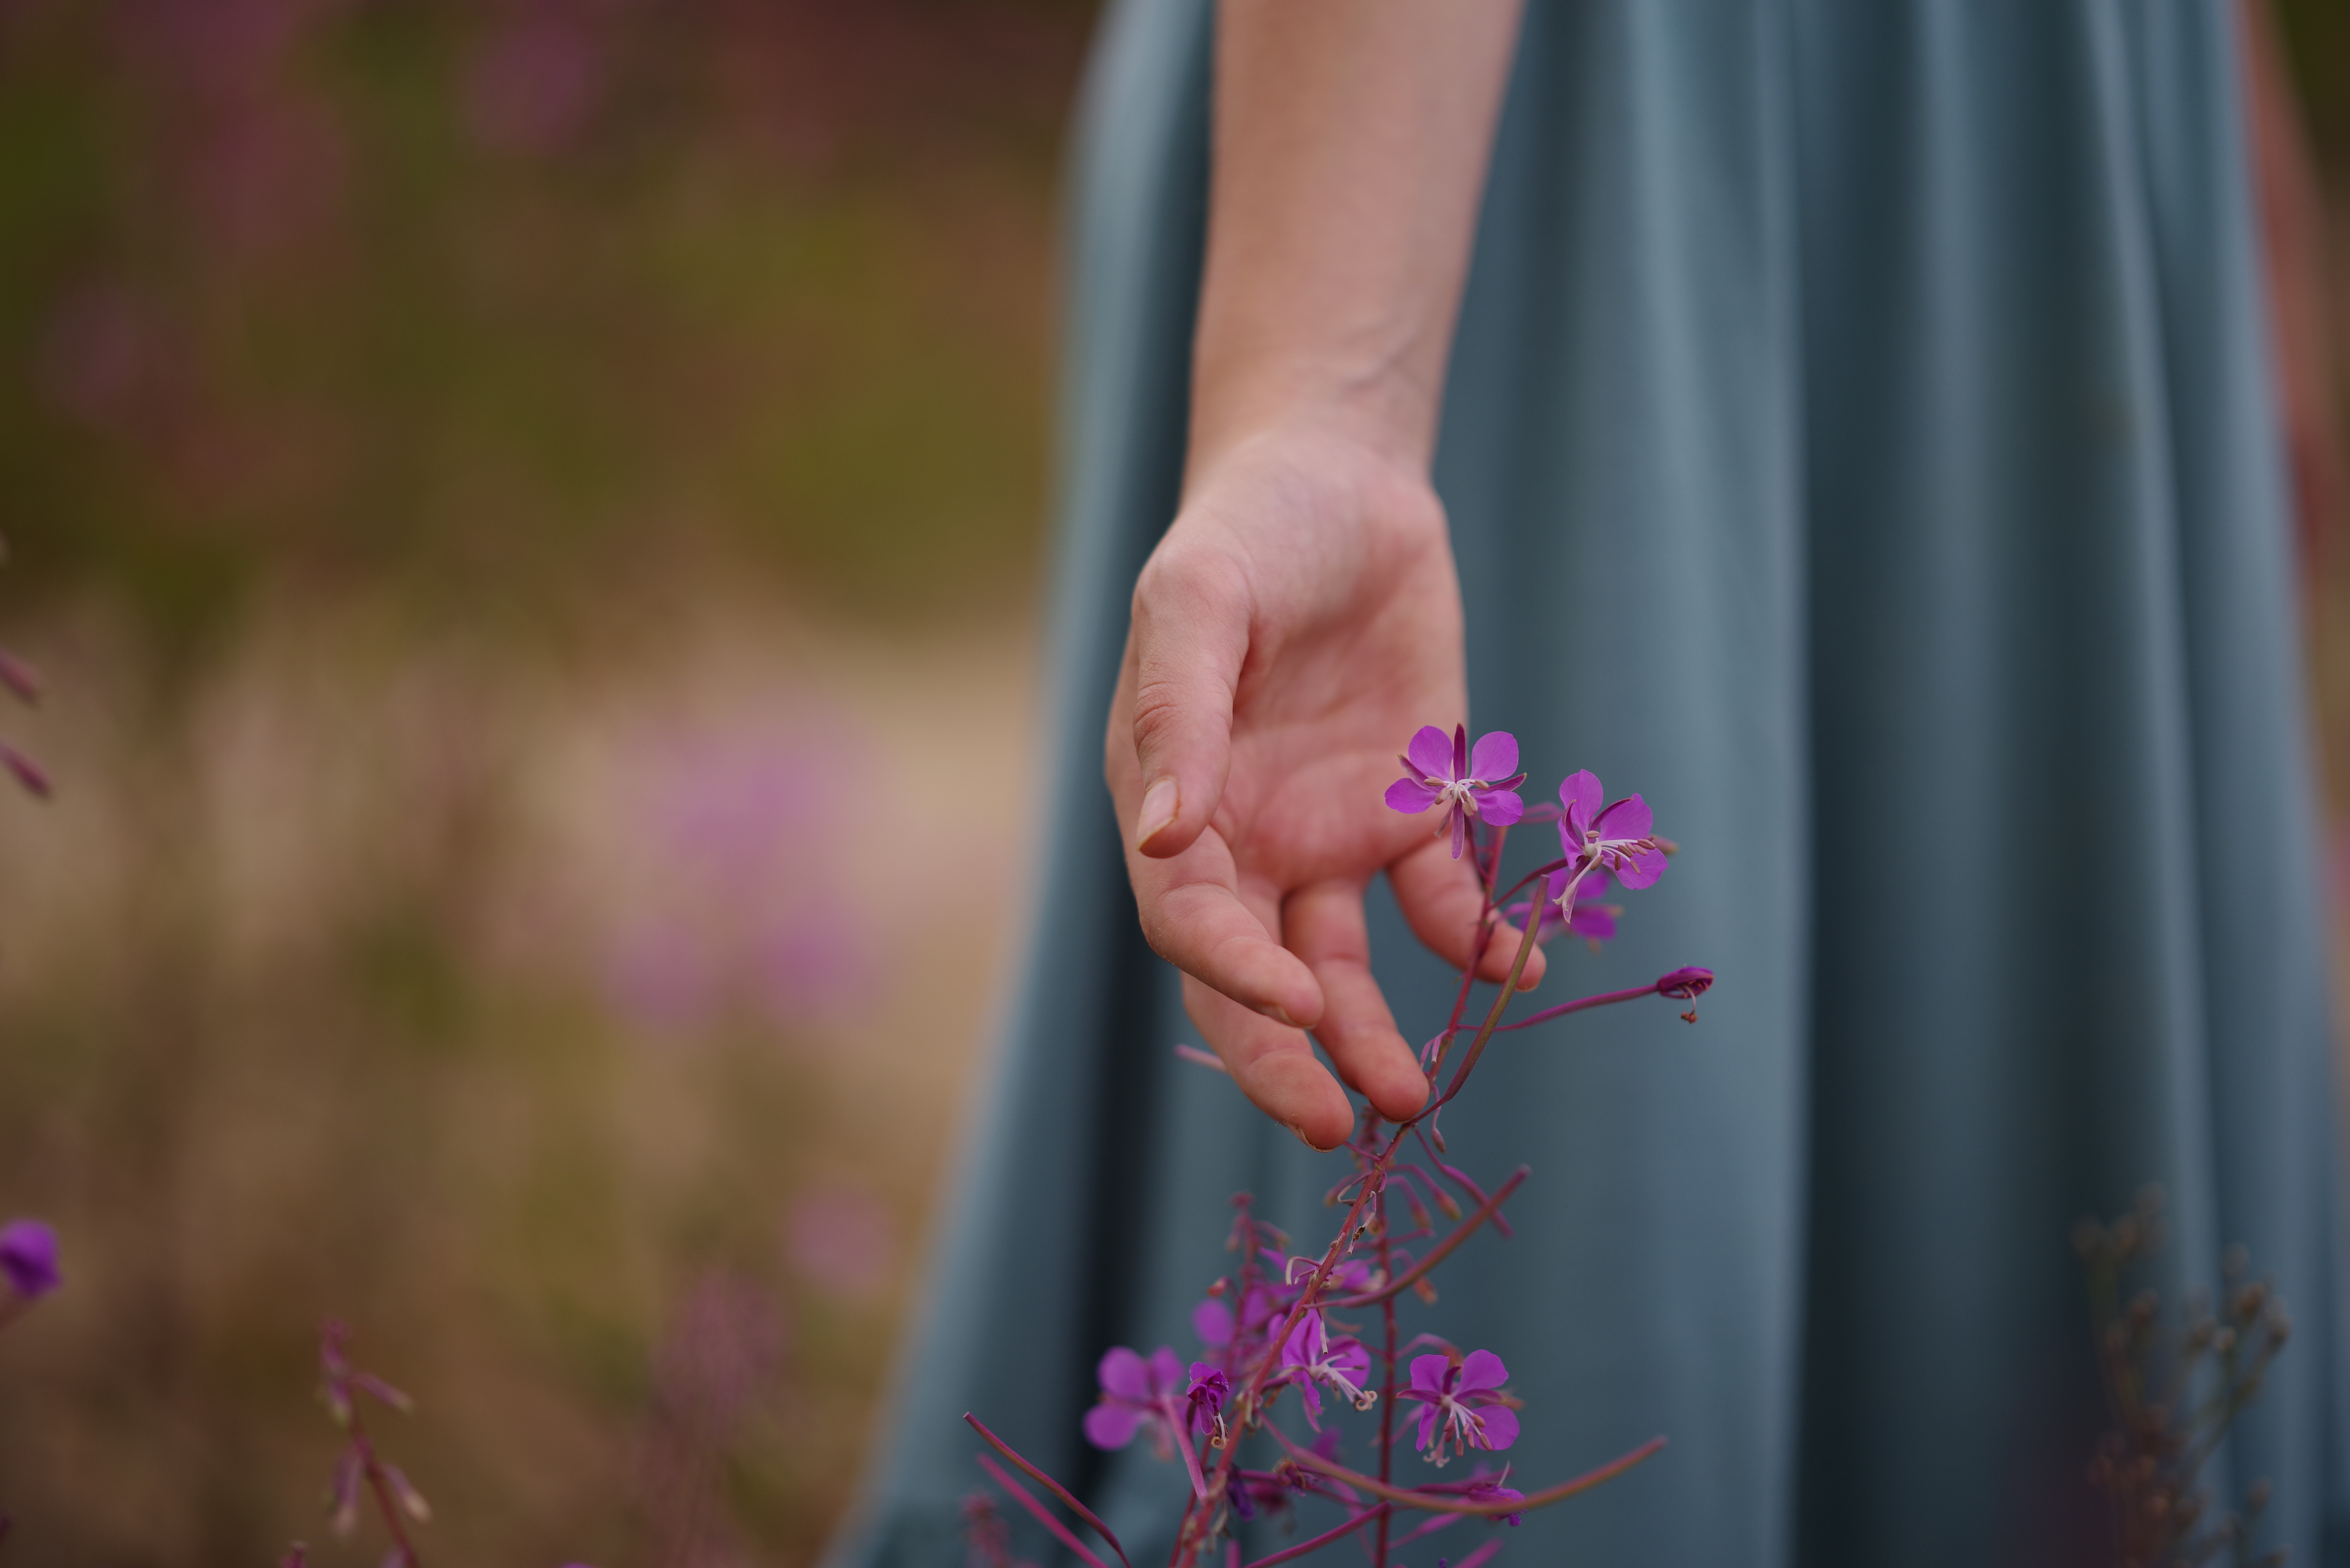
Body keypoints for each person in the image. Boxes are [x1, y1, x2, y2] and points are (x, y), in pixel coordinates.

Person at [835, 3, 2348, 1564]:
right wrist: (1337, 397)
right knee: (1553, 1242)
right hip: (1494, 146)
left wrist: (2232, 124)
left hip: (2054, 123)